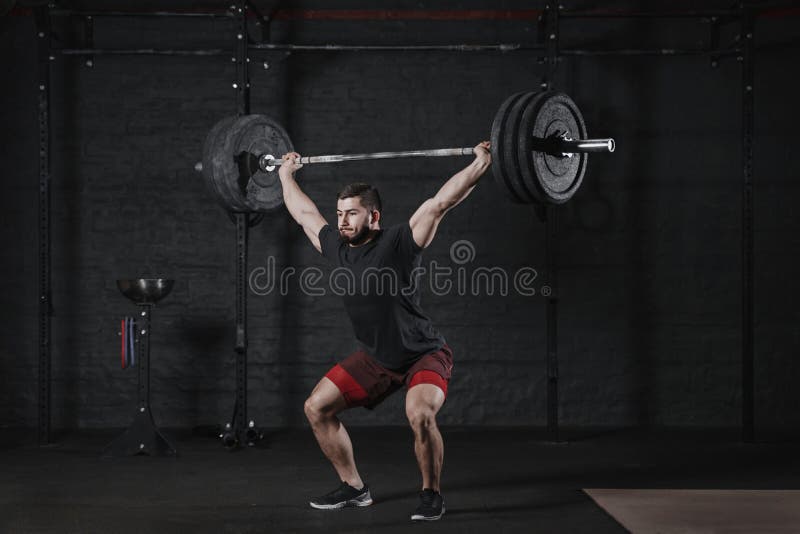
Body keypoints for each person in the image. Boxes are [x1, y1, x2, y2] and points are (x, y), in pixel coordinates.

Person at [277, 141, 491, 521]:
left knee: (420, 414)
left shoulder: (398, 243)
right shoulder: (336, 247)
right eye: (340, 213)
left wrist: (480, 163)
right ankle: (355, 489)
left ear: (373, 216)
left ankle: (431, 494)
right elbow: (303, 212)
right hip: (376, 359)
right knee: (316, 408)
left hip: (422, 353)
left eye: (352, 214)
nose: (342, 221)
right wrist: (284, 174)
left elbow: (439, 203)